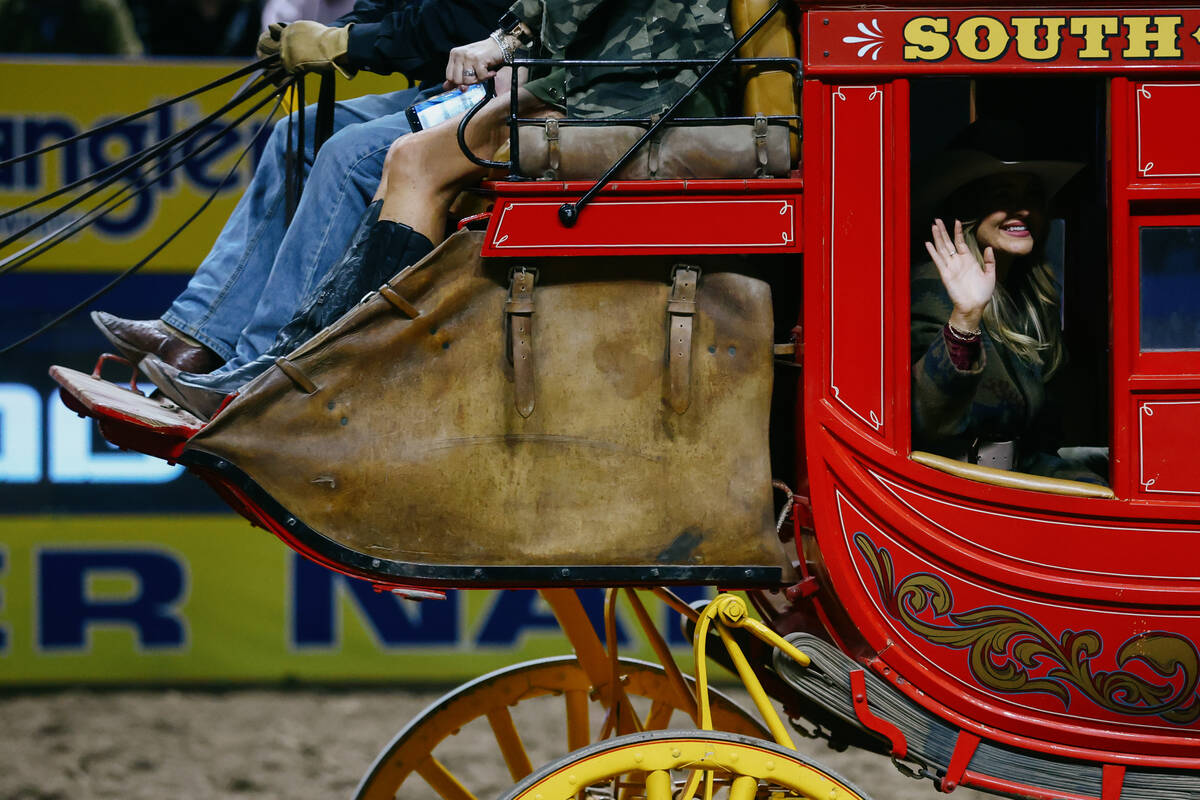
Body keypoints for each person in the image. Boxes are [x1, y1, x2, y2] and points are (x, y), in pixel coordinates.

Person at [138, 0, 737, 417]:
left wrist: (503, 44)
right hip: (591, 79)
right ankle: (280, 361)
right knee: (393, 155)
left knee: (403, 160)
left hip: (643, 88)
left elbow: (557, 13)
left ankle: (316, 375)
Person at [92, 0, 511, 375]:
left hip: (508, 97)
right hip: (451, 91)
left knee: (349, 155)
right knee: (298, 131)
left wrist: (347, 41)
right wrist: (330, 35)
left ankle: (263, 367)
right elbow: (389, 7)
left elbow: (460, 19)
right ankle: (196, 334)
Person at [911, 123, 1105, 485]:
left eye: (1031, 196)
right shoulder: (933, 285)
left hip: (1017, 480)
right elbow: (930, 419)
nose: (1022, 210)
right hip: (955, 492)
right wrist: (965, 317)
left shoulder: (1027, 292)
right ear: (968, 207)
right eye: (1002, 195)